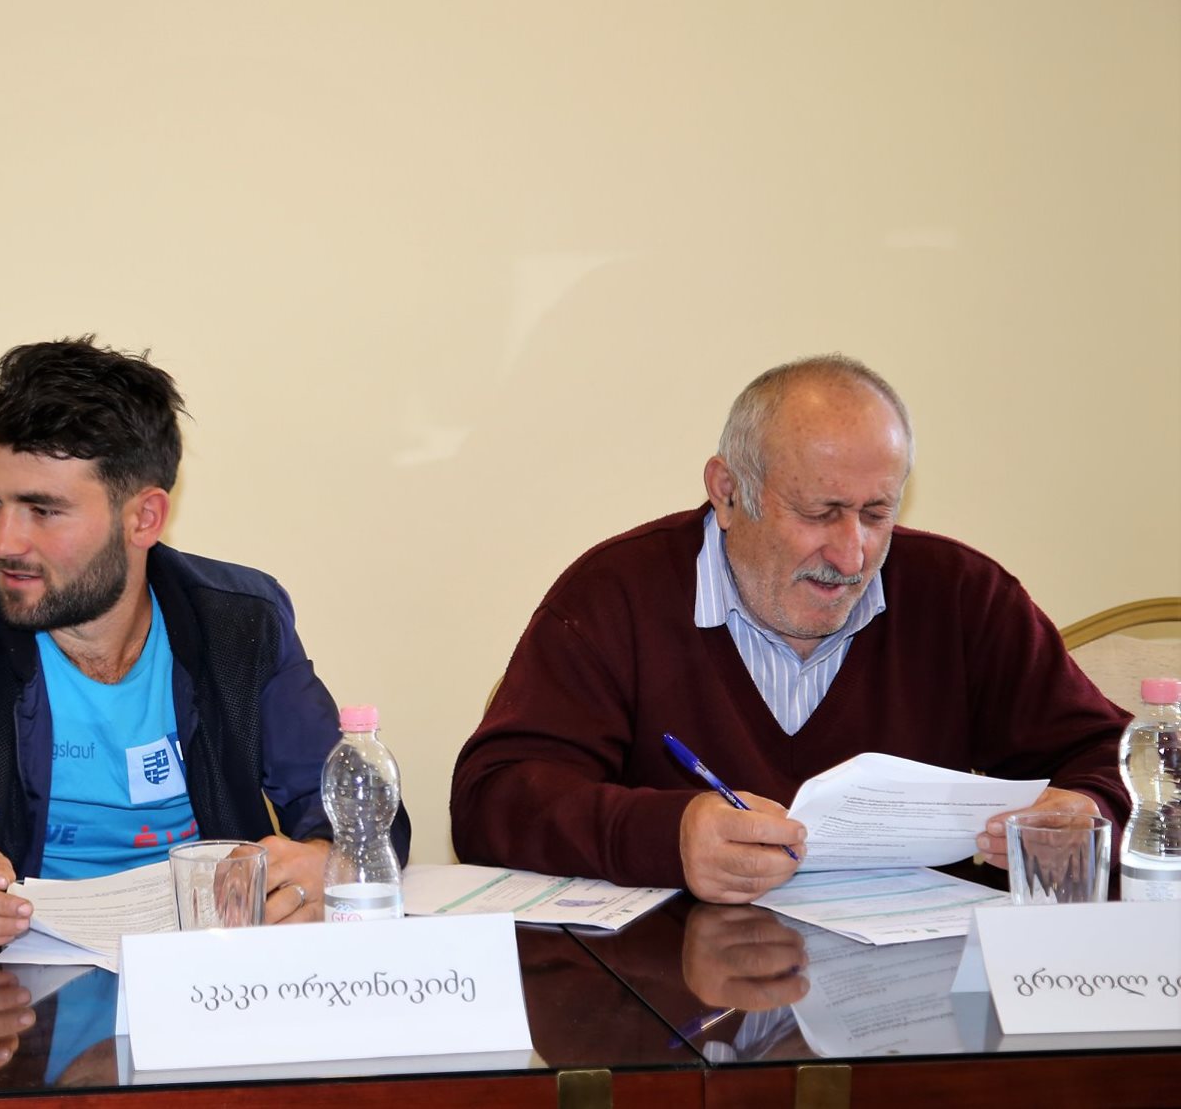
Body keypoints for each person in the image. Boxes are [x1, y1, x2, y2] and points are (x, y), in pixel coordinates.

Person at [0, 336, 408, 949]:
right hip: (12, 979)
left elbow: (361, 810)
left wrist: (328, 862)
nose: (3, 542)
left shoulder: (241, 623)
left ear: (144, 518)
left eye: (43, 511)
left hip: (204, 971)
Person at [451, 354, 1129, 903]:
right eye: (818, 512)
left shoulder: (960, 596)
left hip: (913, 989)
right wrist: (669, 836)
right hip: (681, 999)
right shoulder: (618, 594)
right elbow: (494, 796)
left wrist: (1088, 809)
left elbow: (1121, 758)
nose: (851, 554)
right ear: (727, 492)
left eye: (877, 514)